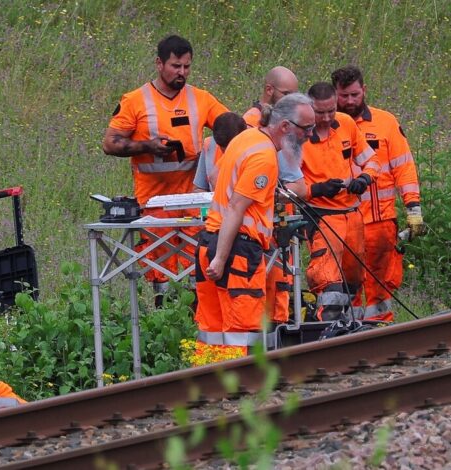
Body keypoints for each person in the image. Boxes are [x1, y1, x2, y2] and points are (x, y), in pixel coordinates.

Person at [102, 34, 229, 306]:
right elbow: (110, 144)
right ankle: (163, 318)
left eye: (186, 67)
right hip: (154, 203)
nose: (181, 72)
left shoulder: (201, 99)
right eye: (175, 66)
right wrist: (146, 146)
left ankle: (198, 319)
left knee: (199, 266)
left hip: (195, 201)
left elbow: (230, 129)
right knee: (160, 271)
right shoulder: (135, 100)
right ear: (159, 64)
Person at [194, 93, 315, 361]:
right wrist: (221, 259)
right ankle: (240, 393)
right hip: (236, 250)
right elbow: (237, 206)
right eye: (306, 129)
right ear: (285, 126)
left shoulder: (246, 139)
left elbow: (225, 185)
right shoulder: (264, 157)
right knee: (242, 333)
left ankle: (209, 387)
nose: (310, 135)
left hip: (210, 241)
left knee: (212, 331)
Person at [331, 66, 425, 322]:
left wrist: (413, 208)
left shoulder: (386, 123)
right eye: (344, 96)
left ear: (364, 90)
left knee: (380, 285)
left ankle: (379, 331)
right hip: (342, 221)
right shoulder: (327, 126)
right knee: (343, 284)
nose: (350, 101)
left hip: (380, 221)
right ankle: (345, 333)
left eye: (354, 94)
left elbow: (404, 166)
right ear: (334, 94)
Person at [299, 82, 379, 321]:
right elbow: (289, 185)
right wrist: (318, 189)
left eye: (330, 111)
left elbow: (372, 161)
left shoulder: (346, 124)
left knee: (353, 279)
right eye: (319, 112)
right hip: (322, 217)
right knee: (327, 279)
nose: (325, 118)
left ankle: (350, 328)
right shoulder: (299, 134)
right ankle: (325, 328)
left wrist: (364, 178)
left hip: (352, 214)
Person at [243, 66, 306, 324]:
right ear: (269, 90)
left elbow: (299, 186)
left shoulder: (285, 128)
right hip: (253, 230)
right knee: (251, 301)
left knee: (277, 299)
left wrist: (279, 195)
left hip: (279, 229)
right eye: (287, 94)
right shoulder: (250, 125)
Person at [193, 112, 247, 191]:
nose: (227, 151)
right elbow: (199, 188)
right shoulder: (209, 145)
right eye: (223, 148)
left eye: (232, 147)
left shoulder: (255, 151)